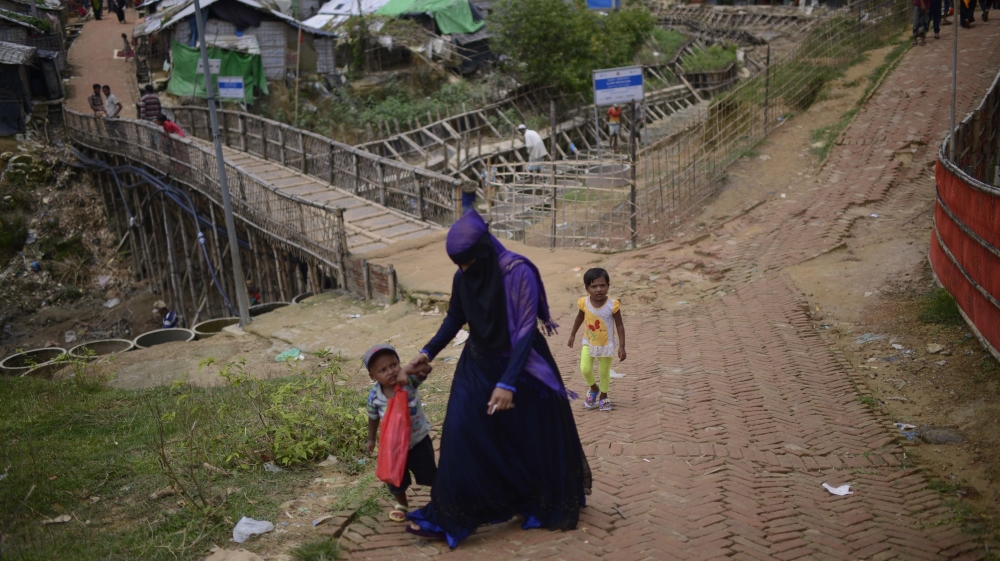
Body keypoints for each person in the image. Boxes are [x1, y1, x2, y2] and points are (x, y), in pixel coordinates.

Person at [402, 210, 591, 548]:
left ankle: (533, 500)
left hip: (522, 365)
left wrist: (508, 383)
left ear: (484, 251)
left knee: (528, 437)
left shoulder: (519, 274)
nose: (462, 271)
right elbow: (456, 317)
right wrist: (427, 352)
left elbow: (523, 334)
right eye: (458, 264)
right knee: (461, 432)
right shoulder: (464, 276)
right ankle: (451, 515)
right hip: (477, 362)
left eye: (467, 262)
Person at [363, 344, 436, 523]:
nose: (391, 371)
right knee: (396, 480)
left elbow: (427, 368)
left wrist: (408, 370)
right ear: (373, 376)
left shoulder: (409, 382)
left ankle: (440, 499)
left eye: (394, 365)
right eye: (383, 370)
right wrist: (371, 439)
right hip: (393, 447)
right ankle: (402, 504)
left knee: (429, 474)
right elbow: (373, 418)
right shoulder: (374, 396)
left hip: (417, 441)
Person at [567, 268, 626, 412]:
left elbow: (619, 325)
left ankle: (604, 395)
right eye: (594, 286)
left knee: (604, 371)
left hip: (606, 345)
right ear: (587, 288)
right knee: (585, 369)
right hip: (589, 342)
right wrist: (573, 334)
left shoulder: (613, 305)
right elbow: (579, 318)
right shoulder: (584, 303)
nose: (598, 289)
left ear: (608, 286)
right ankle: (594, 388)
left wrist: (622, 346)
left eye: (602, 285)